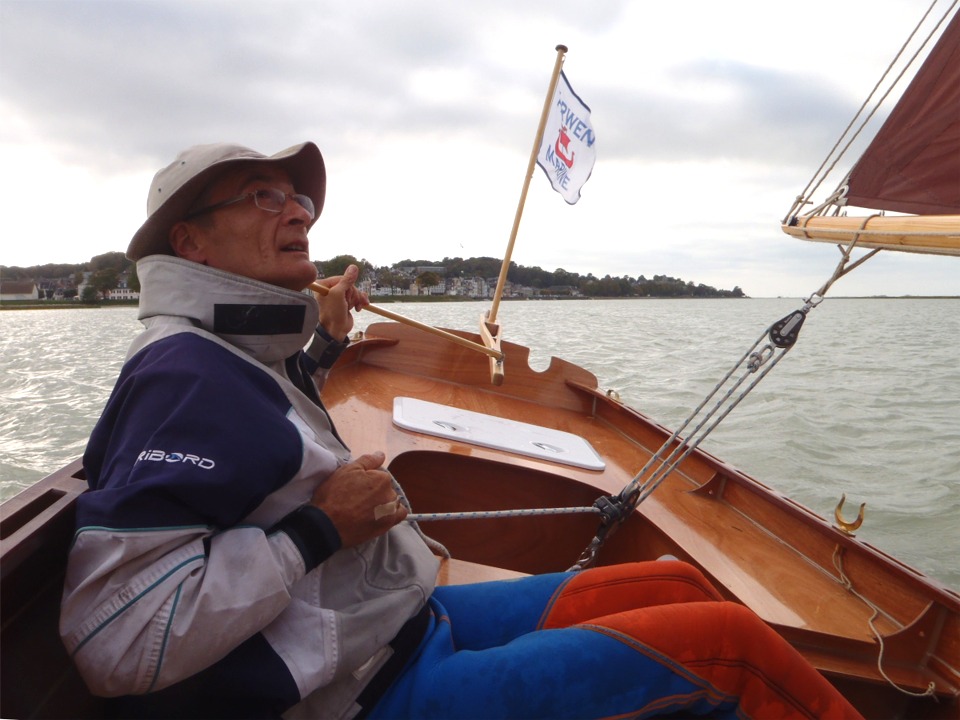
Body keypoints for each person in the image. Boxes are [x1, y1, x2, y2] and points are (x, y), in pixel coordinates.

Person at [60, 141, 863, 720]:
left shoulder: (238, 358)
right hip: (363, 692)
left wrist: (327, 343)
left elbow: (261, 432)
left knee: (675, 585)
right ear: (189, 242)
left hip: (402, 629)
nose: (296, 210)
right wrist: (319, 528)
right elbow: (117, 640)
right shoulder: (183, 378)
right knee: (725, 641)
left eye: (298, 199)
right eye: (261, 197)